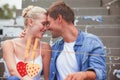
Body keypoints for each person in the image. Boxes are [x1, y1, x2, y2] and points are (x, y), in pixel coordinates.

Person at [46, 1, 106, 80]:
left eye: (49, 23)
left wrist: (84, 75)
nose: (47, 28)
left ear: (59, 18)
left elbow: (100, 72)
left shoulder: (91, 42)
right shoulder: (55, 47)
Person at [2, 5, 51, 80]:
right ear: (30, 22)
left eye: (47, 24)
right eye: (43, 24)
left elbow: (47, 78)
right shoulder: (9, 44)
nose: (45, 28)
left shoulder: (45, 48)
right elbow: (13, 71)